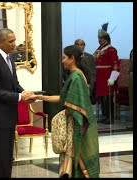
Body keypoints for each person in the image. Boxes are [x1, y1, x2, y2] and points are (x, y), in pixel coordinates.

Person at [29, 45, 100, 178]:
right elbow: (64, 98)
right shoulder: (76, 75)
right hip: (80, 126)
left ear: (72, 59)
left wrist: (63, 115)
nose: (62, 61)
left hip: (80, 127)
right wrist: (38, 97)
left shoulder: (76, 77)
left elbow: (76, 107)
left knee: (80, 166)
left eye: (64, 58)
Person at [0, 28, 34, 177]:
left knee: (7, 156)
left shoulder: (9, 59)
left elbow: (14, 83)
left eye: (14, 40)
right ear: (0, 42)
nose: (14, 44)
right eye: (10, 41)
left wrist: (25, 92)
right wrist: (20, 97)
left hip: (9, 116)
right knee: (0, 157)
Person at [93, 23, 120, 124]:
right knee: (101, 98)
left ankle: (110, 117)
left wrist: (113, 78)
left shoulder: (111, 49)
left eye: (101, 38)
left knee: (107, 98)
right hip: (99, 77)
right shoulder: (99, 49)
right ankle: (104, 116)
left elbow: (116, 64)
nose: (99, 40)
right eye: (99, 38)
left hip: (107, 76)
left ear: (106, 39)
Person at [63, 39, 96, 104]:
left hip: (87, 88)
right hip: (73, 88)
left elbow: (93, 73)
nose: (79, 46)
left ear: (84, 46)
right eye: (77, 45)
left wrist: (90, 88)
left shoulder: (90, 57)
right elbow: (65, 73)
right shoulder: (69, 58)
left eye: (81, 45)